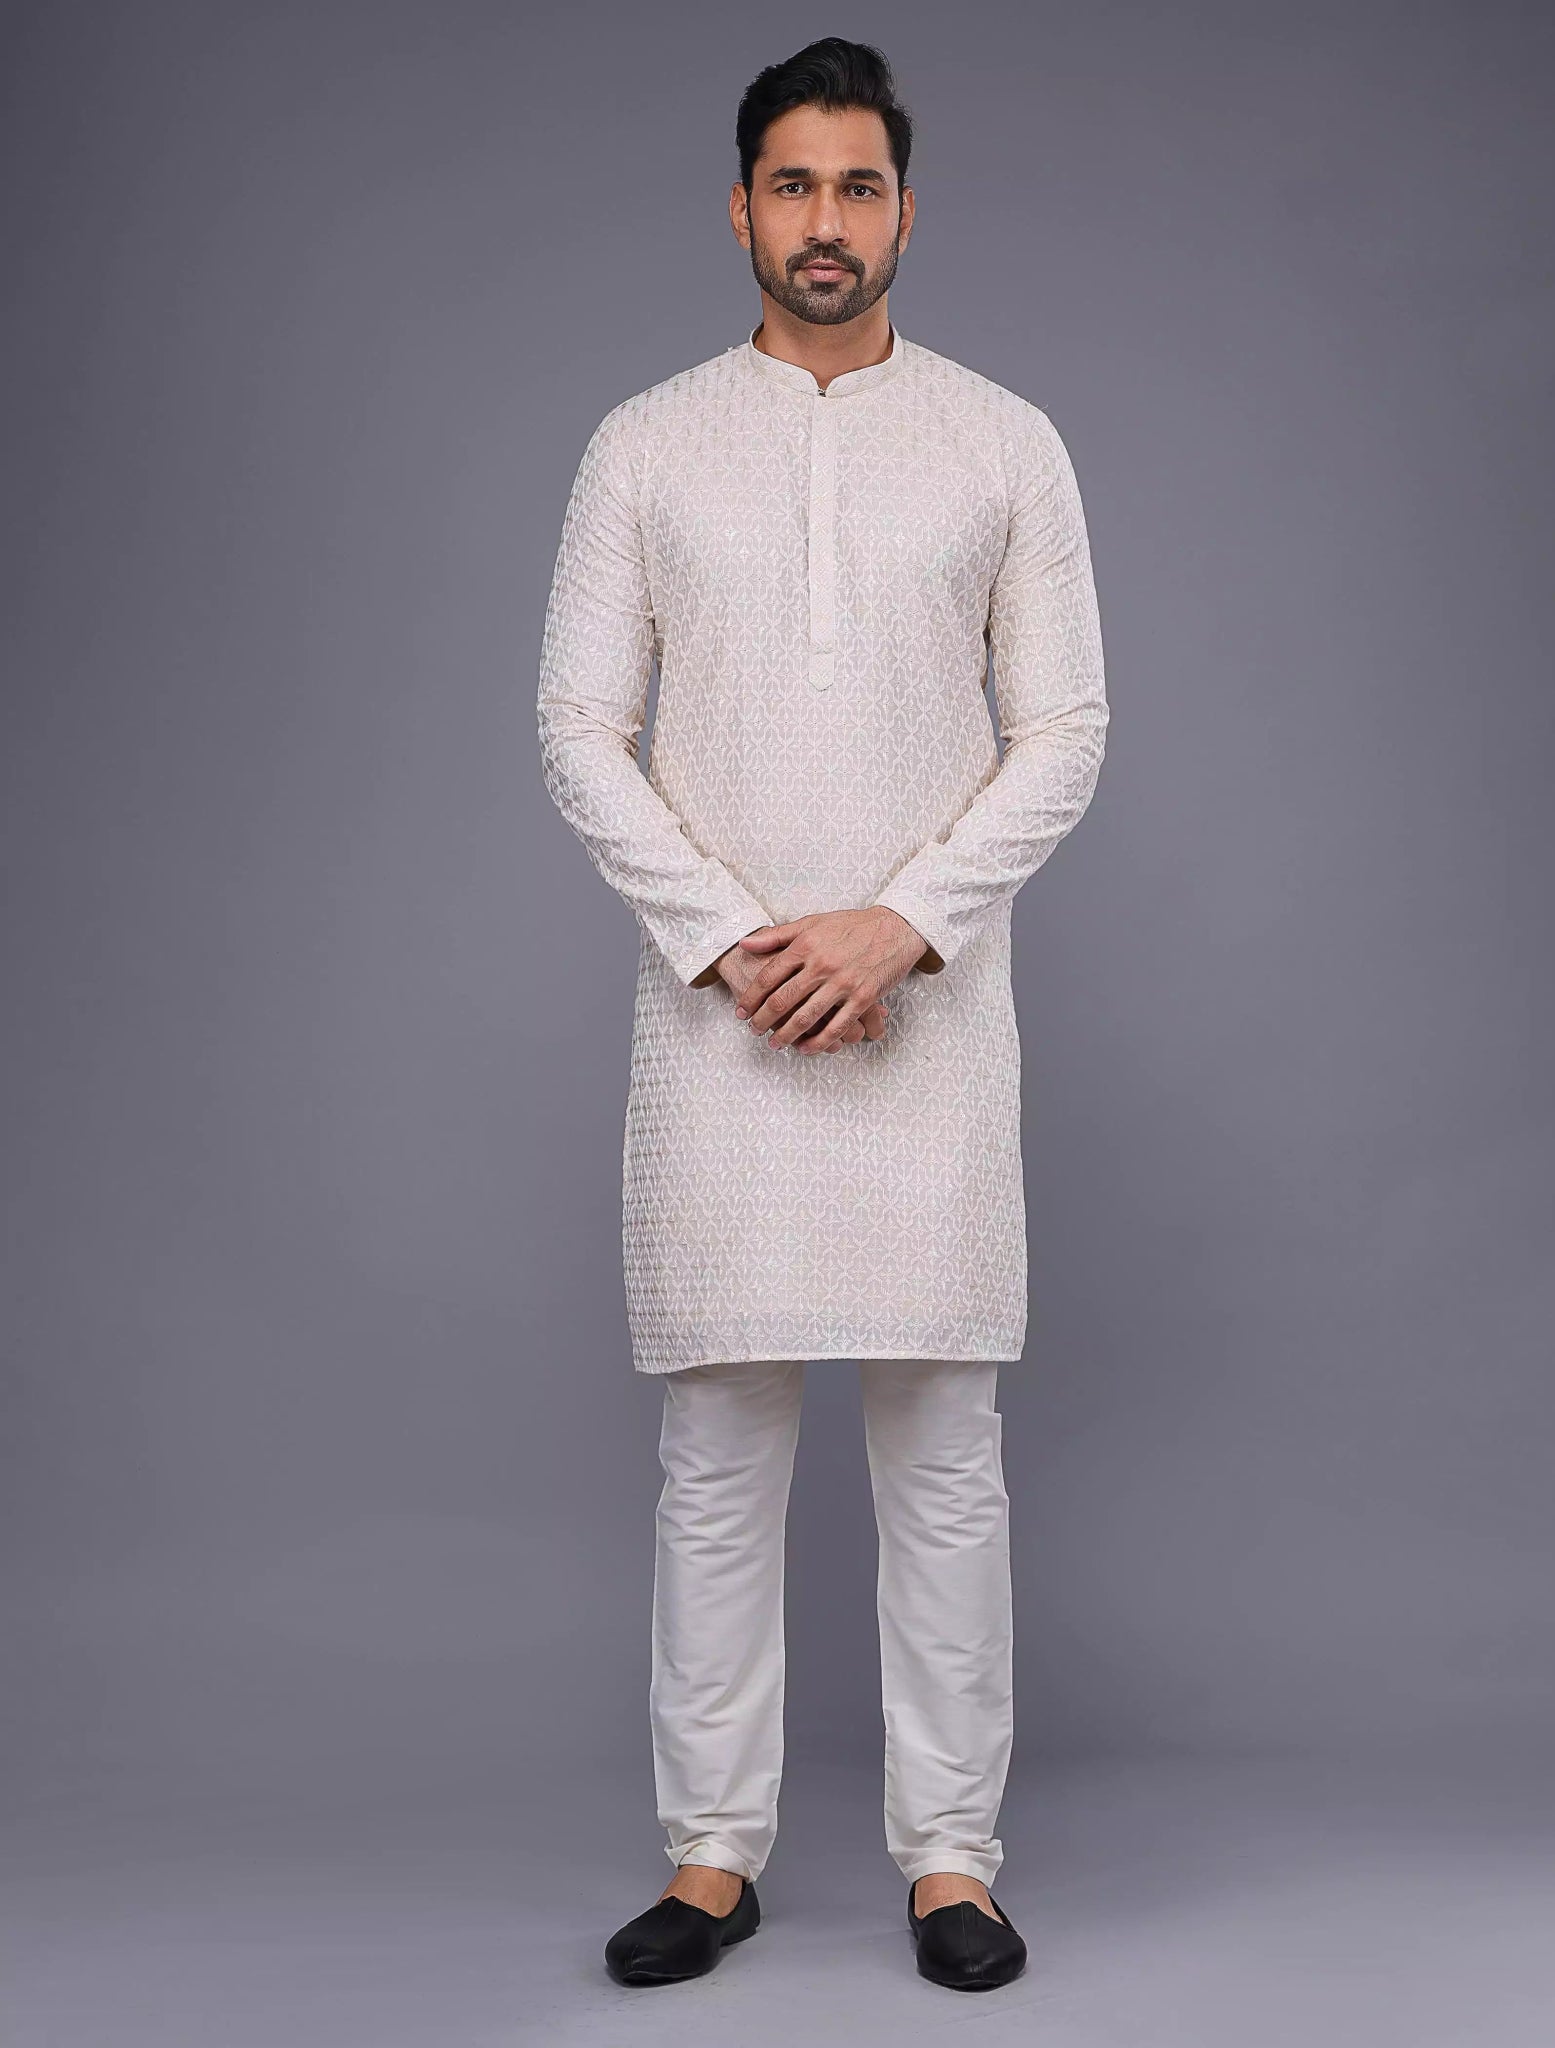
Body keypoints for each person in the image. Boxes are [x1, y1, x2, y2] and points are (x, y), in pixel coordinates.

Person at [537, 36, 1108, 1993]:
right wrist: (731, 942)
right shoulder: (641, 445)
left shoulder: (1004, 443)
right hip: (717, 1025)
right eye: (792, 183)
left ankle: (952, 1860)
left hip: (926, 1016)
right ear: (738, 209)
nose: (826, 220)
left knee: (943, 1452)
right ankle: (712, 1855)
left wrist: (897, 929)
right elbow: (574, 730)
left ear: (905, 212)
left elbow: (1065, 733)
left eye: (858, 185)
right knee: (717, 1453)